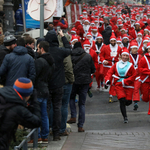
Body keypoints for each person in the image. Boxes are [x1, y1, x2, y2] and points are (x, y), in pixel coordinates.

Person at [0, 77, 41, 150]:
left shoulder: (3, 93)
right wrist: (35, 102)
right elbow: (36, 122)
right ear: (28, 95)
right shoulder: (18, 109)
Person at [45, 30, 71, 141]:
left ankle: (47, 130)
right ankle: (57, 133)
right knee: (57, 108)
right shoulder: (60, 51)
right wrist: (63, 37)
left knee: (47, 108)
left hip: (47, 84)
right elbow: (69, 49)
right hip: (59, 84)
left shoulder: (45, 52)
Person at [67, 42, 95, 132]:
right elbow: (93, 69)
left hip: (74, 81)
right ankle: (80, 125)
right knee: (82, 103)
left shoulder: (70, 56)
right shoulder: (87, 56)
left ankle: (73, 116)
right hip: (85, 82)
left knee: (71, 98)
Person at [105, 48, 136, 123]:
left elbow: (134, 75)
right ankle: (125, 117)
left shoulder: (131, 66)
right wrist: (108, 80)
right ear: (121, 56)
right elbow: (109, 72)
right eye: (123, 55)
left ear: (128, 57)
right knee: (121, 100)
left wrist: (126, 81)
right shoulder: (116, 64)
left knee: (128, 101)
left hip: (128, 84)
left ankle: (126, 104)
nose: (125, 57)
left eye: (126, 56)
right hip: (118, 84)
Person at [35, 41, 54, 143]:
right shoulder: (51, 61)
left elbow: (35, 75)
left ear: (42, 49)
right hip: (46, 89)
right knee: (44, 114)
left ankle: (37, 137)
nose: (36, 50)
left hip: (38, 90)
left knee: (37, 114)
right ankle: (45, 136)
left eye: (38, 48)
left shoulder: (39, 61)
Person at [129, 42, 142, 110]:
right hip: (130, 75)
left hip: (138, 75)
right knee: (130, 89)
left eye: (136, 48)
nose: (135, 50)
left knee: (136, 88)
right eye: (133, 48)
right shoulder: (128, 56)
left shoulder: (140, 56)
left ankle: (135, 102)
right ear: (131, 49)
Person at [139, 42, 150, 115]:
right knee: (146, 98)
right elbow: (140, 69)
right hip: (145, 80)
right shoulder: (143, 59)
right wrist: (148, 72)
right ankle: (143, 97)